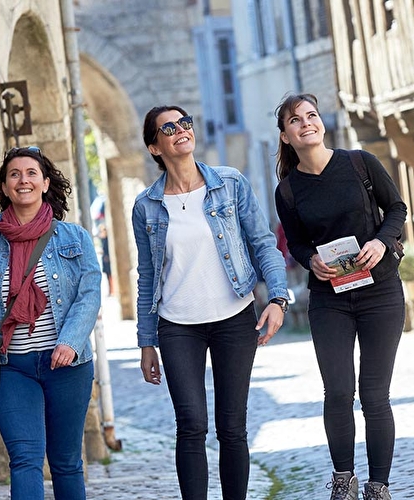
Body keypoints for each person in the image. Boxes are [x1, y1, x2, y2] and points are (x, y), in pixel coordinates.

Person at [132, 105, 289, 500]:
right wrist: (146, 342)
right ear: (154, 147)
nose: (181, 130)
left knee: (232, 427)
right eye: (169, 128)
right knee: (190, 425)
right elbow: (148, 276)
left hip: (234, 318)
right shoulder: (146, 206)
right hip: (176, 325)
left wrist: (278, 297)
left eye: (185, 123)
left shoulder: (230, 183)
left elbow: (263, 243)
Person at [273, 94, 407, 500]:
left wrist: (382, 242)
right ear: (286, 135)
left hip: (380, 292)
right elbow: (296, 243)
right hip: (330, 300)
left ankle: (378, 486)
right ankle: (343, 481)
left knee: (374, 394)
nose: (306, 123)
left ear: (321, 123)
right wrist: (310, 260)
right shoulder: (288, 191)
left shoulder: (360, 163)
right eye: (295, 120)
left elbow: (397, 208)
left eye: (311, 115)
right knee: (337, 391)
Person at [0, 146, 101, 500]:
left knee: (66, 462)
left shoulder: (75, 238)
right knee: (24, 460)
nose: (24, 180)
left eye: (32, 173)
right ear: (5, 187)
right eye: (15, 174)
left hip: (67, 366)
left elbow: (89, 295)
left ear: (45, 183)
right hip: (12, 369)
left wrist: (70, 341)